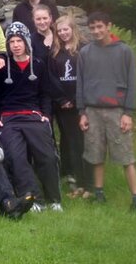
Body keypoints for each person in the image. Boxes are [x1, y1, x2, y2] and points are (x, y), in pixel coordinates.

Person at [0, 22, 62, 212]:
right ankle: (33, 199)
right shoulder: (1, 65)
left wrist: (46, 115)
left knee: (46, 156)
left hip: (34, 116)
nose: (15, 45)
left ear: (26, 41)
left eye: (19, 40)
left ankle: (54, 199)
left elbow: (45, 94)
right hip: (9, 119)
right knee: (16, 157)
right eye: (11, 41)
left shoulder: (38, 65)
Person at [77, 11, 136, 210]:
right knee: (95, 154)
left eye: (100, 26)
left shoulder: (124, 51)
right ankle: (99, 193)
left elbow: (132, 83)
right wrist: (82, 112)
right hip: (92, 110)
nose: (96, 31)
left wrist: (128, 113)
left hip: (117, 111)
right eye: (92, 27)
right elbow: (80, 83)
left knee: (126, 156)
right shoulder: (85, 53)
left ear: (109, 26)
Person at [49, 14, 92, 198]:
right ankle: (69, 174)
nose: (63, 33)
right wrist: (61, 99)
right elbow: (51, 77)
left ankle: (84, 180)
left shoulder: (83, 49)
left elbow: (88, 76)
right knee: (66, 139)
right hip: (62, 104)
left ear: (73, 29)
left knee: (79, 141)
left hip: (79, 103)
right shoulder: (55, 51)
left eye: (66, 29)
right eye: (59, 31)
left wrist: (75, 99)